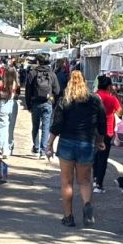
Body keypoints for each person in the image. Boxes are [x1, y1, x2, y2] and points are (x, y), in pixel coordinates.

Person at [46, 71, 107, 227]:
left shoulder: (64, 100)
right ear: (85, 82)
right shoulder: (94, 99)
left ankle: (68, 217)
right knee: (85, 181)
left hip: (66, 142)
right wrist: (100, 140)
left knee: (67, 182)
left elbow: (57, 125)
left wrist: (49, 144)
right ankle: (87, 204)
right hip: (86, 143)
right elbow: (102, 122)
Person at [25, 53, 61, 158]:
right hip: (48, 103)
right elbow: (57, 90)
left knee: (35, 126)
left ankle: (36, 147)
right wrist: (52, 101)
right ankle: (43, 150)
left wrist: (29, 105)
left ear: (38, 62)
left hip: (35, 103)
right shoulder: (52, 74)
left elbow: (28, 91)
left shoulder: (32, 73)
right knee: (45, 127)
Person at [92, 75, 122, 193]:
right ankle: (99, 183)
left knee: (95, 156)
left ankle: (94, 178)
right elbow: (120, 112)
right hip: (107, 130)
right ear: (109, 86)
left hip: (93, 130)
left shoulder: (93, 96)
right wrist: (115, 95)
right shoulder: (111, 98)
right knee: (103, 158)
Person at [0, 67, 20, 159]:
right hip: (13, 104)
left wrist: (0, 96)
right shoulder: (16, 83)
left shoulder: (1, 83)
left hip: (3, 104)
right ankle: (10, 146)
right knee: (11, 127)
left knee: (2, 127)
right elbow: (17, 95)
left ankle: (4, 148)